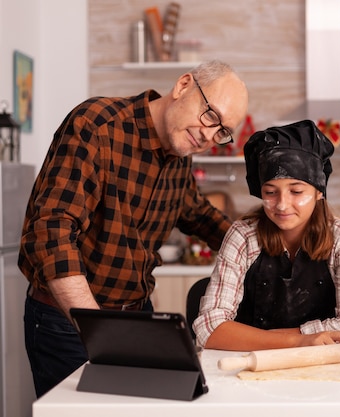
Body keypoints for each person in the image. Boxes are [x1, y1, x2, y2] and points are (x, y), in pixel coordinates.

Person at [19, 60, 249, 397]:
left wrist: (263, 241)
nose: (208, 135)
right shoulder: (97, 124)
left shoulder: (179, 153)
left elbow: (197, 214)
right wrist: (99, 331)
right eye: (210, 114)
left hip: (137, 317)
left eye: (222, 131)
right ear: (183, 85)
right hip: (68, 323)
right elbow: (53, 232)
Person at [192, 119, 340, 351]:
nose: (282, 205)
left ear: (319, 192)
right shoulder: (243, 235)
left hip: (319, 369)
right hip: (248, 364)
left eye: (296, 191)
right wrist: (301, 340)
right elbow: (208, 329)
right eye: (270, 192)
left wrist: (251, 336)